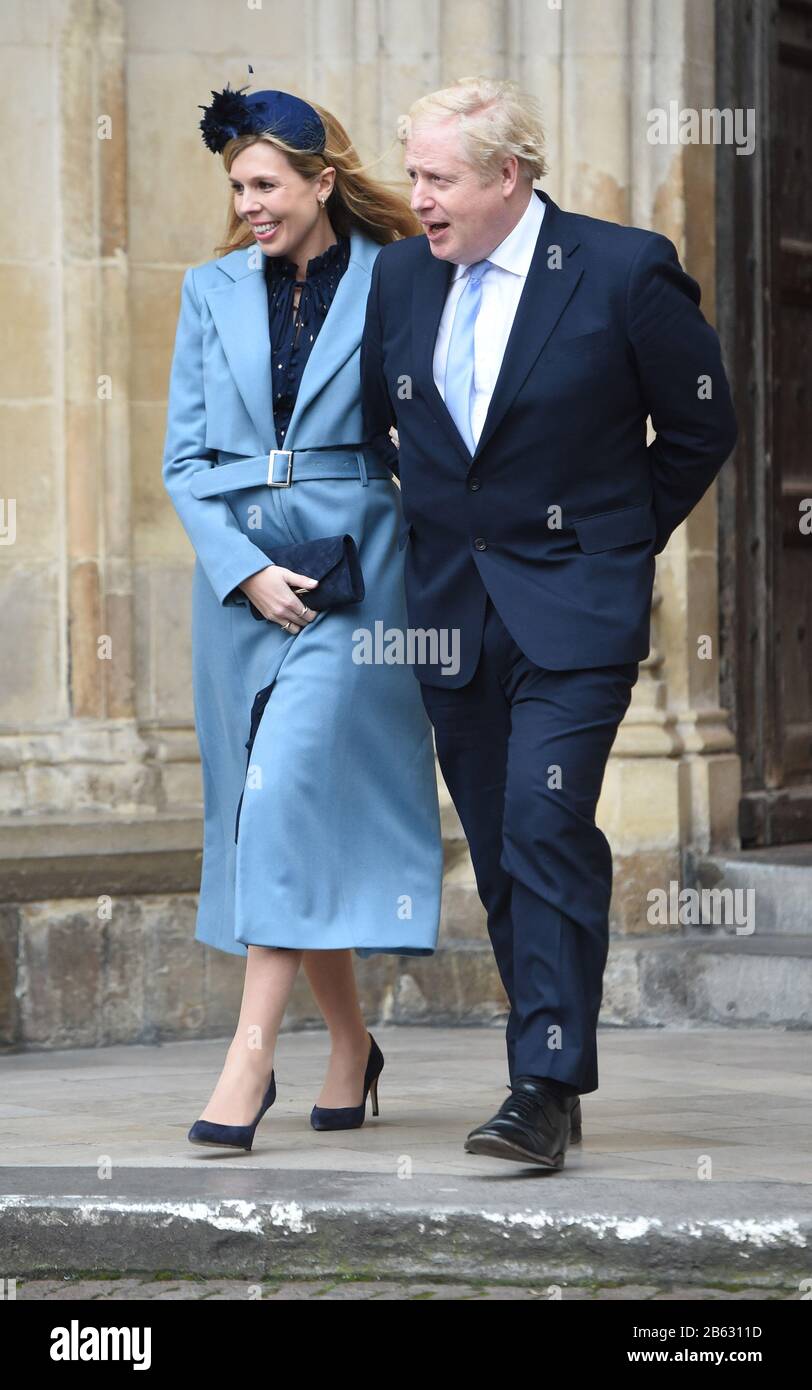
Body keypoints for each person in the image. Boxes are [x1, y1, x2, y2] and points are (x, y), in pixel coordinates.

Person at [360, 75, 738, 1170]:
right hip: (450, 614)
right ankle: (545, 1068)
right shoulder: (400, 276)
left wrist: (612, 543)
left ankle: (541, 1083)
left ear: (509, 176)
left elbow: (701, 426)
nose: (418, 198)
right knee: (497, 850)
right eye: (413, 174)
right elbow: (380, 428)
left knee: (543, 821)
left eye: (438, 178)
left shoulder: (622, 269)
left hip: (575, 610)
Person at [162, 82, 443, 1152]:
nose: (249, 205)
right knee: (279, 816)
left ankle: (247, 1060)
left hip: (358, 572)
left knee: (281, 800)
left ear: (323, 181)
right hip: (240, 584)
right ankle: (351, 1046)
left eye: (267, 184)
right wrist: (243, 572)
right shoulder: (207, 291)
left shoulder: (398, 275)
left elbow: (435, 421)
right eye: (237, 187)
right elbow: (184, 462)